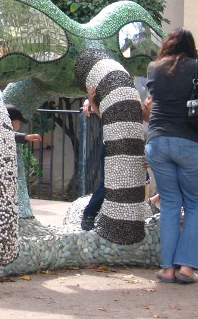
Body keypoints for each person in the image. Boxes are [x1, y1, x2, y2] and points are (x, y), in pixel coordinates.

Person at [145, 28, 198, 284]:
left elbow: (152, 99)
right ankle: (186, 268)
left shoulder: (154, 68)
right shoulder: (196, 67)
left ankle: (167, 269)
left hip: (157, 141)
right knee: (194, 204)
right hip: (189, 141)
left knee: (169, 204)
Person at [80, 91, 158, 231]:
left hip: (134, 153)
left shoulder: (156, 125)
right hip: (112, 147)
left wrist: (151, 158)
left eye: (152, 101)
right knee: (108, 184)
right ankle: (89, 214)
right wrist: (90, 100)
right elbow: (105, 116)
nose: (147, 102)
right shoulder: (131, 110)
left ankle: (129, 218)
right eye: (148, 98)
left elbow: (156, 145)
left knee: (137, 183)